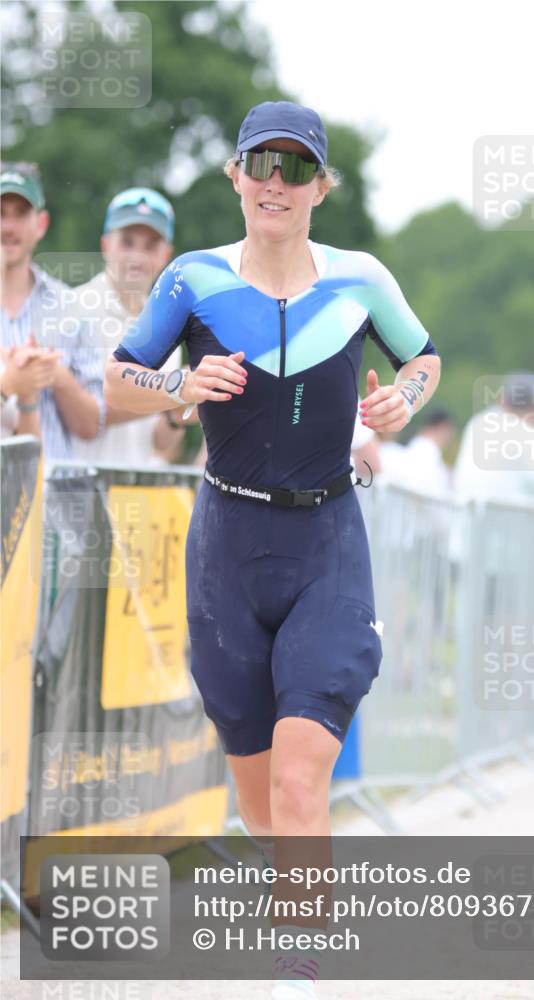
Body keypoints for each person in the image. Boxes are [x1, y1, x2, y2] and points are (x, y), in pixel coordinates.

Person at [104, 100, 441, 998]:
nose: (277, 184)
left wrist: (404, 397)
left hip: (329, 541)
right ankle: (294, 892)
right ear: (237, 177)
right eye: (263, 164)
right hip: (227, 547)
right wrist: (178, 385)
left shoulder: (362, 279)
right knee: (260, 790)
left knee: (302, 776)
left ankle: (303, 957)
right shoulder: (193, 280)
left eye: (298, 169)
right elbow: (116, 377)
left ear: (321, 186)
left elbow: (424, 359)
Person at [71, 187, 186, 467]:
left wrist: (176, 414)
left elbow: (163, 446)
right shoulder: (71, 310)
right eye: (128, 242)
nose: (138, 256)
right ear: (106, 245)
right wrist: (174, 393)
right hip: (71, 494)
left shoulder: (168, 326)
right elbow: (77, 419)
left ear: (166, 254)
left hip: (131, 499)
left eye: (150, 246)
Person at [0, 162, 104, 466]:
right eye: (1, 213)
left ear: (41, 224)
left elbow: (90, 427)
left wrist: (54, 374)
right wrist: (10, 385)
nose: (8, 226)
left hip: (52, 503)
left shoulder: (71, 307)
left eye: (20, 213)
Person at [453, 371, 534, 513]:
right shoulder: (531, 436)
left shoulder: (476, 424)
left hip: (464, 531)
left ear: (502, 399)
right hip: (509, 532)